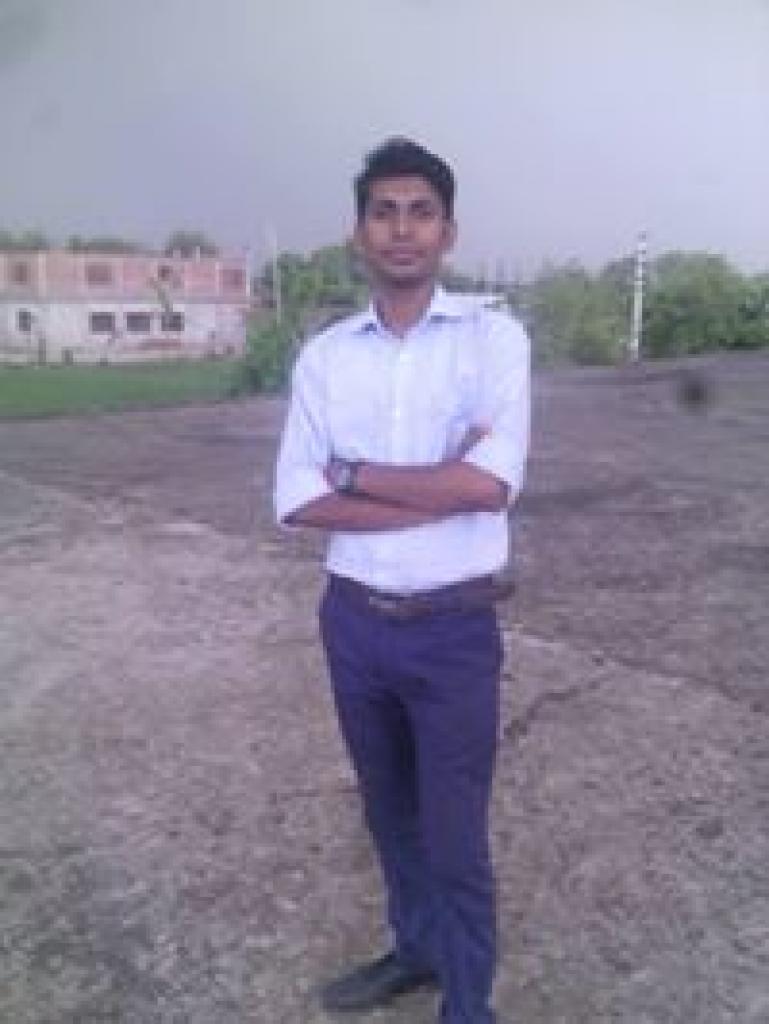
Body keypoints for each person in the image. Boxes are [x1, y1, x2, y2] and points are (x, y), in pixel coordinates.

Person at [274, 137, 530, 1024]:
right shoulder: (325, 358)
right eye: (383, 211)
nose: (402, 228)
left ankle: (467, 1005)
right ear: (359, 232)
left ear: (447, 232)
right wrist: (434, 487)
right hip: (352, 625)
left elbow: (489, 487)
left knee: (454, 839)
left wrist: (351, 474)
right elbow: (295, 499)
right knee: (388, 817)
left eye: (421, 212)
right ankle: (417, 952)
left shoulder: (493, 341)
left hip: (454, 630)